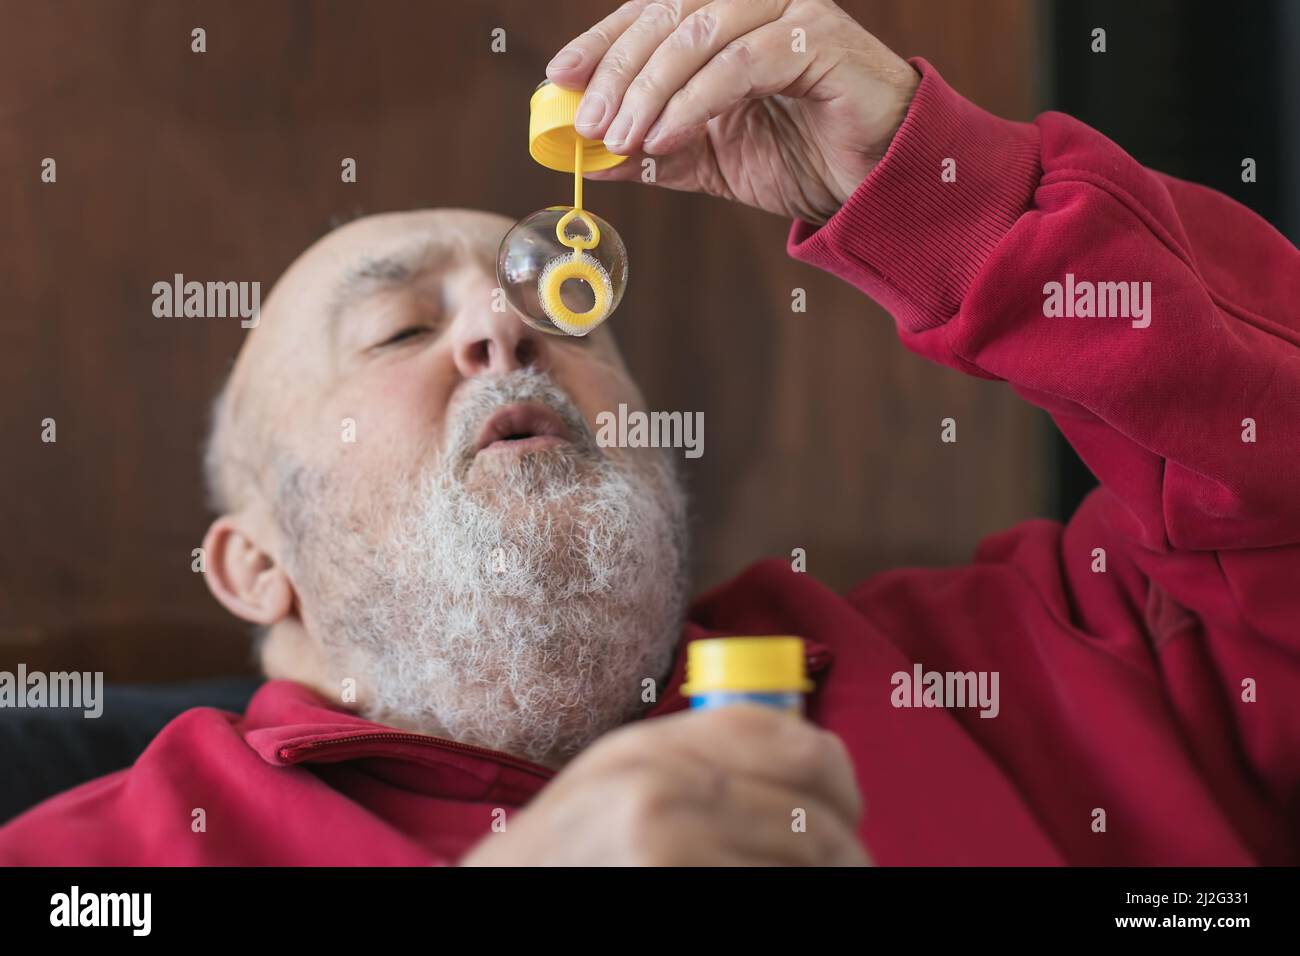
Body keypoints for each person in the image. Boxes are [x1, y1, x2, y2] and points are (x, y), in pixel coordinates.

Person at [2, 0, 1295, 865]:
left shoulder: (1042, 671)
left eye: (565, 317)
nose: (507, 336)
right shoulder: (94, 862)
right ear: (252, 561)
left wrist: (938, 182)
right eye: (398, 331)